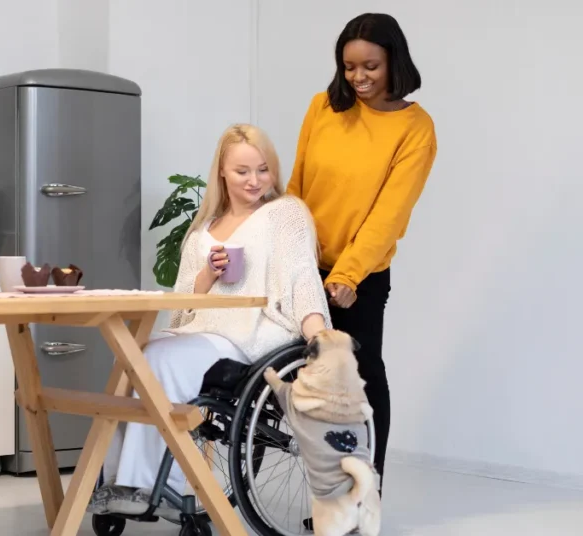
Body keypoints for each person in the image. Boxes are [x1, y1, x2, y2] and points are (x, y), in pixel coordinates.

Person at [88, 123, 331, 516]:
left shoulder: (285, 213)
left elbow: (301, 277)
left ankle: (150, 486)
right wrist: (207, 275)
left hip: (254, 333)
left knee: (160, 359)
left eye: (263, 170)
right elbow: (184, 306)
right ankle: (115, 482)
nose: (255, 180)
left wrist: (319, 335)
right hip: (202, 330)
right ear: (221, 171)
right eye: (242, 171)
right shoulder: (204, 230)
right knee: (131, 356)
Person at [287, 13, 438, 491]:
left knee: (360, 378)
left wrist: (347, 275)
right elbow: (297, 186)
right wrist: (283, 247)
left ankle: (362, 492)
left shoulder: (415, 128)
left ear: (394, 61)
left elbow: (389, 214)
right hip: (301, 264)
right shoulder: (322, 107)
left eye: (370, 66)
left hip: (359, 276)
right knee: (285, 372)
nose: (359, 77)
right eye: (349, 66)